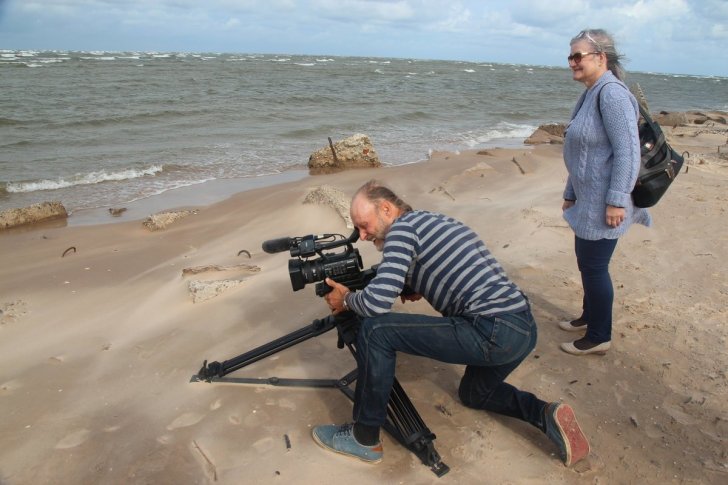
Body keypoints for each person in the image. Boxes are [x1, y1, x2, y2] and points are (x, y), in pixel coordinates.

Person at [311, 180, 590, 467]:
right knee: (474, 394)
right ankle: (543, 413)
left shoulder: (401, 230)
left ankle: (363, 438)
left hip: (492, 329)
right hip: (522, 327)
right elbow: (451, 269)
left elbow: (376, 303)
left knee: (375, 331)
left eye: (364, 225)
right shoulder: (433, 221)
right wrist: (417, 284)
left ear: (386, 209)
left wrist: (346, 300)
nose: (361, 235)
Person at [560, 29, 650, 356]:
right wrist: (571, 191)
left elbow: (628, 153)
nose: (572, 62)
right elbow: (579, 152)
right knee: (587, 263)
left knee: (595, 268)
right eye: (570, 56)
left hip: (605, 204)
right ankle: (589, 316)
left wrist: (616, 201)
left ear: (600, 58)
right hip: (588, 201)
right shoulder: (591, 92)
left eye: (578, 56)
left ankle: (599, 336)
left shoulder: (612, 95)